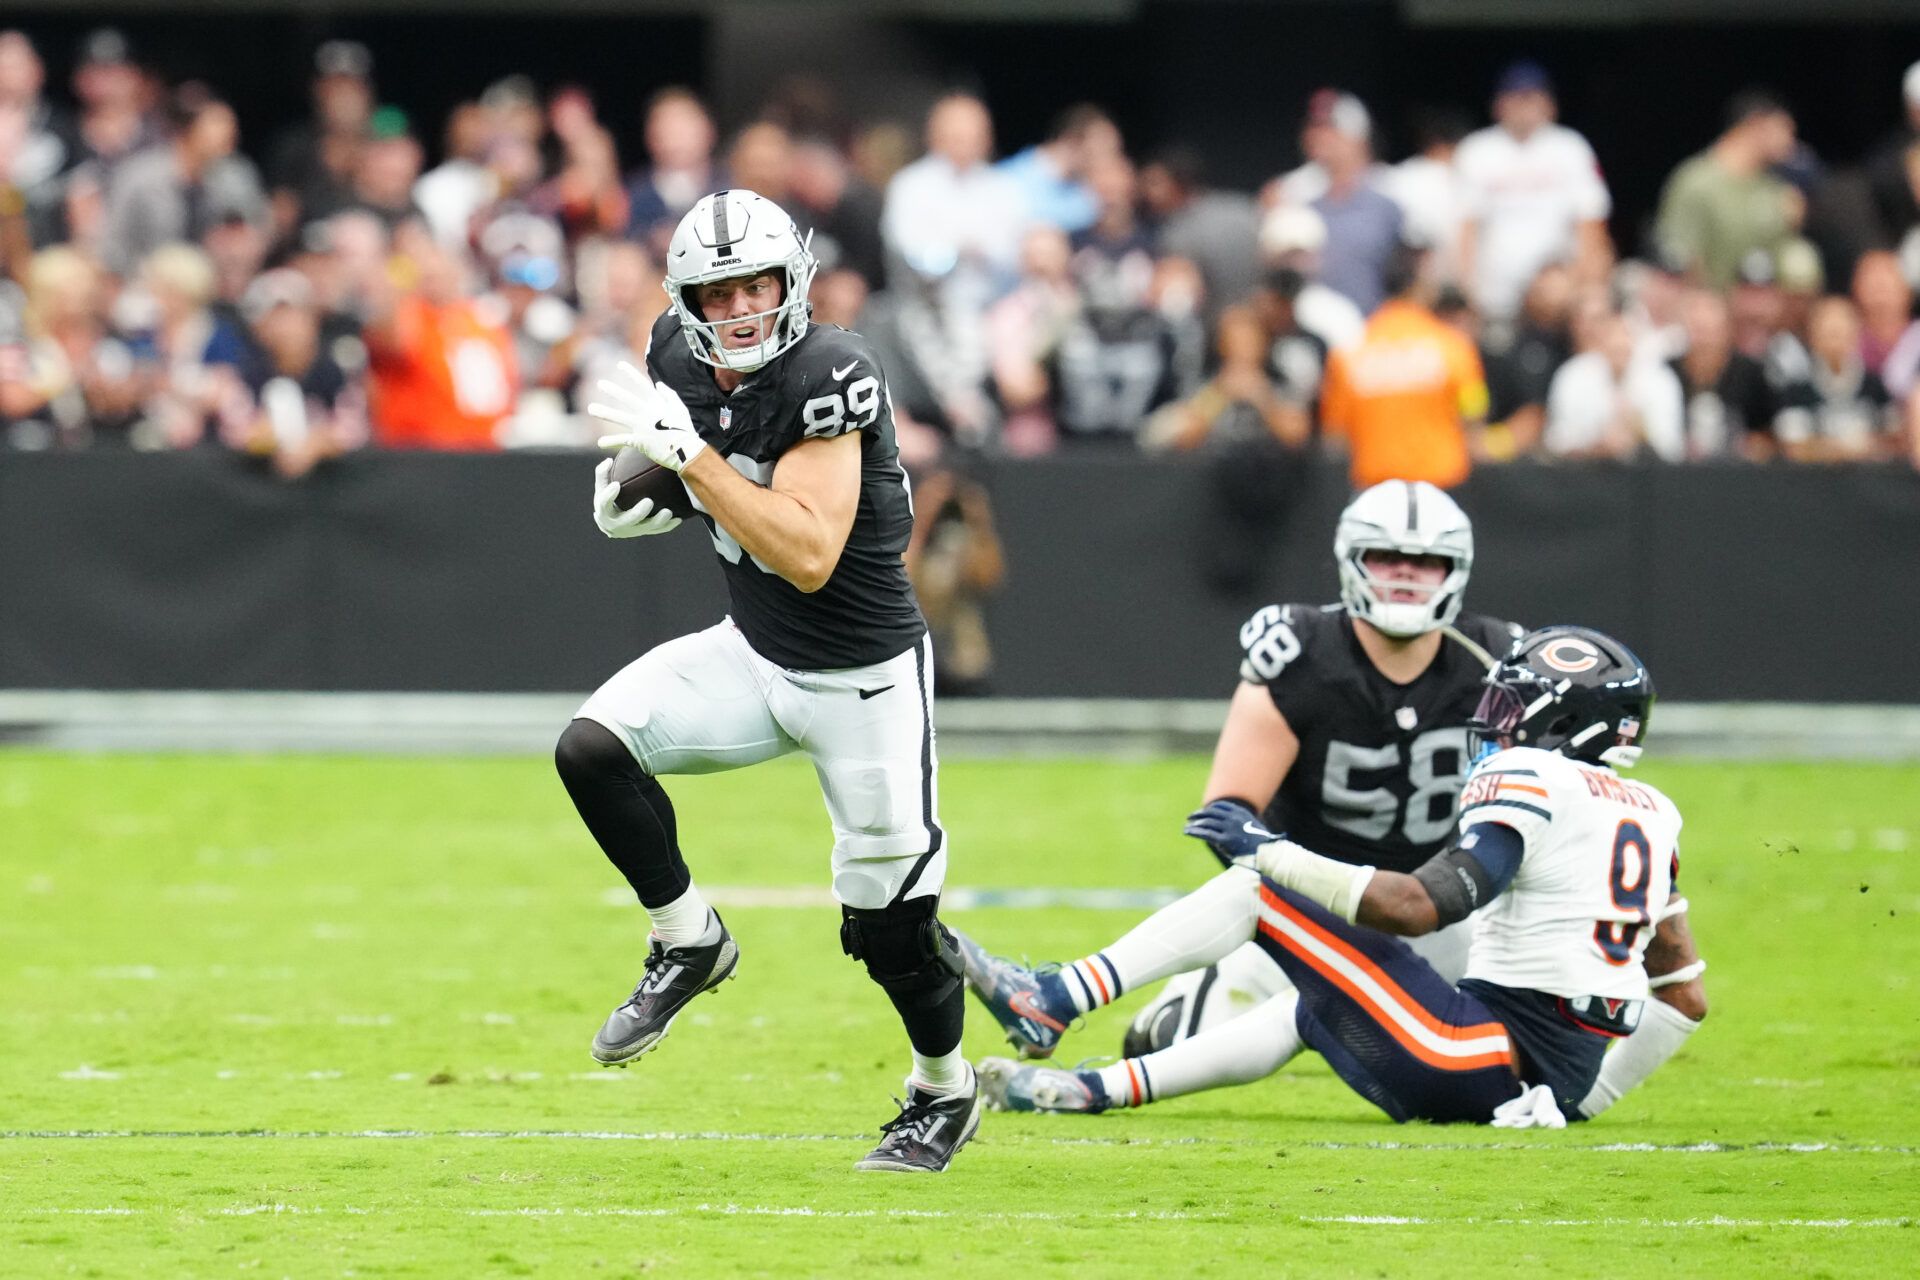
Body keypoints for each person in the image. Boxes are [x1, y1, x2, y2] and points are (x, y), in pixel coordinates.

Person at [559, 189, 979, 1173]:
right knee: (592, 745)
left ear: (794, 282)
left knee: (890, 930)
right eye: (719, 289)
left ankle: (944, 1087)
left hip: (864, 684)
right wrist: (643, 484)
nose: (742, 306)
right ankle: (687, 937)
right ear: (686, 300)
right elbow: (673, 464)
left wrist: (691, 459)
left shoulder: (834, 372)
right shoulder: (674, 350)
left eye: (758, 282)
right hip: (755, 653)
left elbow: (808, 551)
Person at [971, 625, 1708, 1127]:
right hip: (1518, 1067)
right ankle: (1082, 1092)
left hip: (1472, 1051)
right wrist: (1581, 1098)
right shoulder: (1653, 812)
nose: (1498, 724)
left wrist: (1268, 849)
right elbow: (1684, 992)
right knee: (1311, 1002)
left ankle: (1053, 998)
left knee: (1262, 889)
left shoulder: (1533, 776)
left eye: (1515, 708)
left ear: (1562, 723)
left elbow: (1423, 906)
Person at [957, 482, 1520, 1111]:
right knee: (1162, 1041)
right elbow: (1228, 817)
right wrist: (1323, 909)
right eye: (1387, 558)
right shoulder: (1300, 652)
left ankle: (1058, 1002)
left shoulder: (1500, 664)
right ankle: (1149, 1016)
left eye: (1426, 562)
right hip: (1308, 910)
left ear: (1456, 571)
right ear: (1351, 562)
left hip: (1445, 915)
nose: (1406, 578)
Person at [1319, 241, 1489, 489]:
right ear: (1420, 289)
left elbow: (1335, 435)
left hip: (1375, 488)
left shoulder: (1350, 352)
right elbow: (1474, 411)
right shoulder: (1453, 346)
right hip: (1440, 485)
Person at [1454, 61, 1612, 325]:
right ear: (1499, 105)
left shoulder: (1570, 148)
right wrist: (1467, 294)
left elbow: (1592, 227)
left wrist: (1584, 289)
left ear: (1549, 104)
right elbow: (1466, 229)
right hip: (1495, 298)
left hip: (1557, 294)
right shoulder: (1477, 150)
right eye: (1515, 98)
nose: (1523, 106)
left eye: (1530, 97)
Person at [1655, 90, 1802, 292]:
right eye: (1784, 130)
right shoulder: (1697, 181)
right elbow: (1680, 256)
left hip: (1762, 309)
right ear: (1756, 125)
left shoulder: (1777, 190)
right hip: (1708, 308)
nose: (1791, 143)